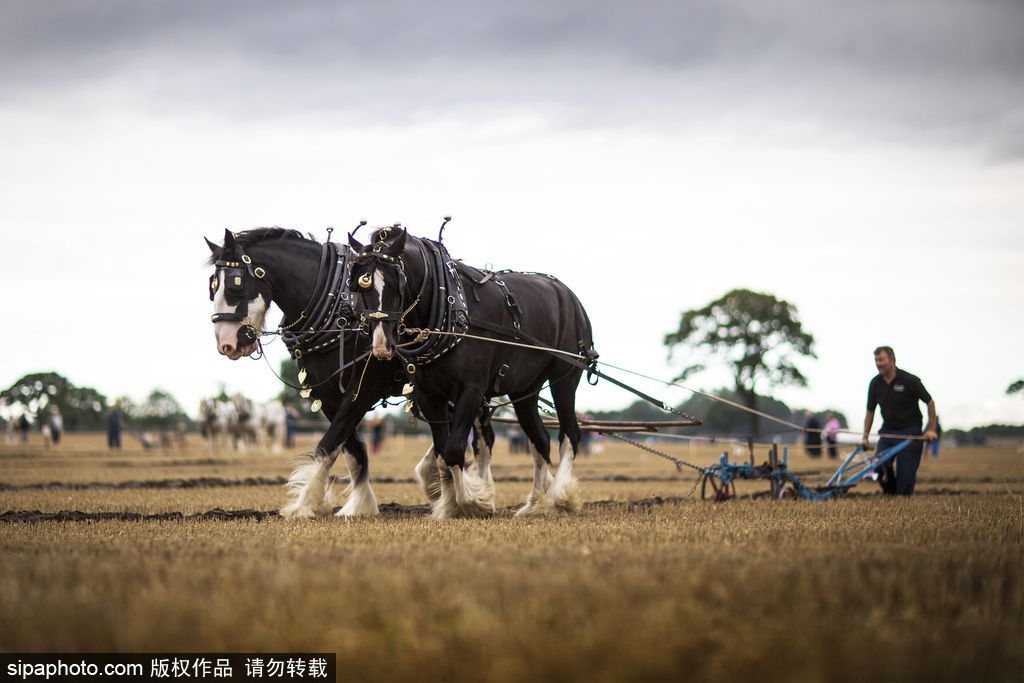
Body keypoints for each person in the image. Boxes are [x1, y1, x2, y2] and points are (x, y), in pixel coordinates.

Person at [859, 346, 937, 496]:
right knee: (879, 466)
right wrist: (865, 437)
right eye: (876, 360)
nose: (878, 363)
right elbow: (870, 412)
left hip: (910, 433)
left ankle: (902, 495)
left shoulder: (910, 380)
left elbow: (930, 402)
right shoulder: (875, 383)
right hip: (888, 432)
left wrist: (931, 429)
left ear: (892, 360)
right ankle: (891, 495)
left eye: (881, 360)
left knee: (905, 478)